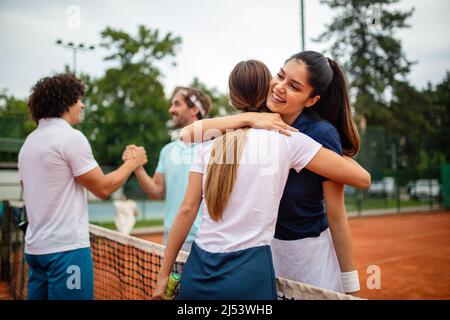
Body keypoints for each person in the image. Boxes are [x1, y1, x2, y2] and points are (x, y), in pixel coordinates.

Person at [152, 60, 370, 300]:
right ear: (267, 88)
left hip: (199, 270)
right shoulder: (289, 139)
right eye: (280, 76)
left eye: (294, 85)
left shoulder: (206, 143)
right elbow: (362, 178)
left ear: (232, 97)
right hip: (250, 272)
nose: (280, 86)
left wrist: (163, 276)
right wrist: (333, 151)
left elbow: (187, 208)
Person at [18, 74, 147, 300]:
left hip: (34, 250)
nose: (82, 104)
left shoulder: (29, 142)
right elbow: (103, 188)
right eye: (78, 99)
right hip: (66, 251)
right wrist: (132, 164)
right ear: (65, 101)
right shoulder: (71, 138)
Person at [129, 86, 211, 252]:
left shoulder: (213, 147)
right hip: (172, 239)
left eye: (177, 104)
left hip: (206, 241)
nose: (171, 109)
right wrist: (137, 167)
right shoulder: (167, 151)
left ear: (194, 109)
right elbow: (156, 192)